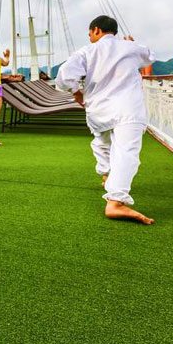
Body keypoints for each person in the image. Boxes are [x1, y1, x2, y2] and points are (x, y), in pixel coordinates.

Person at [56, 15, 155, 225]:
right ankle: (116, 200)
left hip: (99, 108)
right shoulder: (130, 48)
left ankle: (107, 174)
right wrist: (131, 44)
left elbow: (64, 75)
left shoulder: (87, 51)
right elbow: (149, 56)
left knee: (102, 141)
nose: (90, 36)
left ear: (97, 30)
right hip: (128, 106)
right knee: (126, 150)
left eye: (90, 33)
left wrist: (76, 91)